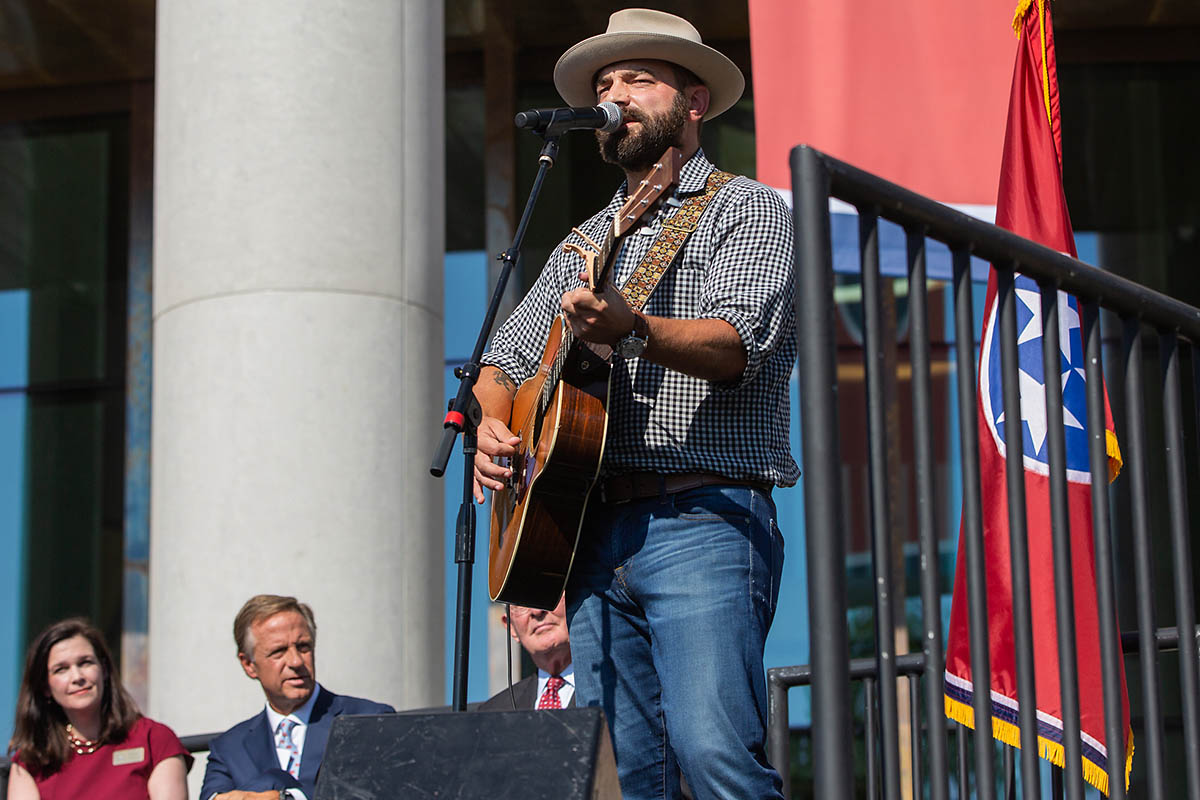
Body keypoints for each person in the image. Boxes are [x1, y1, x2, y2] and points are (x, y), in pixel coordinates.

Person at [472, 9, 795, 799]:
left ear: (691, 102)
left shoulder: (744, 208)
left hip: (702, 519)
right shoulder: (581, 243)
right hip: (588, 535)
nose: (614, 94)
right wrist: (488, 417)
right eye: (604, 83)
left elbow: (738, 345)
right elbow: (500, 361)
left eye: (636, 79)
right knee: (632, 783)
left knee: (715, 755)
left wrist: (636, 328)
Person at [200, 595, 394, 800]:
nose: (295, 661)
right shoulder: (229, 749)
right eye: (279, 651)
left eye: (303, 647)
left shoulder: (369, 720)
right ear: (249, 664)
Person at [6, 618, 192, 800]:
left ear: (103, 669)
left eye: (85, 663)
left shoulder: (154, 739)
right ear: (45, 687)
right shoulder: (31, 761)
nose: (77, 676)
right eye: (61, 669)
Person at [479, 595, 574, 711]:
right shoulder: (493, 713)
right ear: (511, 628)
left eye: (549, 591)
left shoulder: (600, 687)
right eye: (522, 602)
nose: (537, 611)